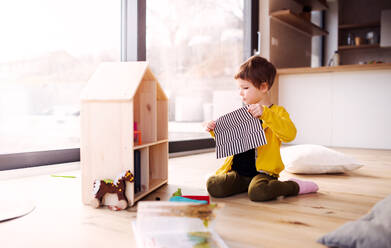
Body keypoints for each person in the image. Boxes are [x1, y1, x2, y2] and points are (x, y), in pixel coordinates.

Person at [205, 55, 318, 201]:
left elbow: (290, 135)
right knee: (213, 185)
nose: (240, 93)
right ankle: (243, 184)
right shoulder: (242, 113)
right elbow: (232, 140)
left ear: (263, 87)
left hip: (263, 173)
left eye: (245, 88)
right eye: (239, 88)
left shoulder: (276, 113)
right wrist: (214, 130)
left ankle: (293, 186)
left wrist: (266, 114)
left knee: (259, 192)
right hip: (238, 172)